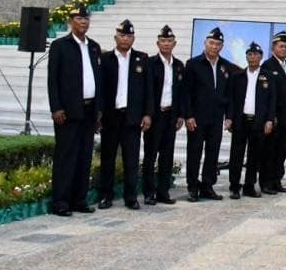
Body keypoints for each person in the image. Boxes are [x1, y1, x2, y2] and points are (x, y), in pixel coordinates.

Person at [47, 3, 102, 216]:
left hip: (89, 110)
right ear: (71, 21)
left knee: (84, 156)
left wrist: (99, 111)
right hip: (68, 111)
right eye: (79, 18)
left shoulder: (94, 47)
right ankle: (60, 201)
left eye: (86, 18)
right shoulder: (61, 45)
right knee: (65, 156)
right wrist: (56, 107)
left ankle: (79, 199)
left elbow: (99, 80)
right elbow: (53, 79)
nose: (83, 22)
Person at [98, 19, 152, 210]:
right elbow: (100, 89)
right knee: (108, 159)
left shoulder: (141, 59)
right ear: (115, 37)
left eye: (129, 36)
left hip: (132, 117)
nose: (125, 39)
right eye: (122, 35)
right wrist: (99, 113)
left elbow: (148, 90)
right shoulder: (105, 59)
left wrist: (147, 114)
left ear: (133, 38)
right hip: (111, 116)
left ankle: (131, 197)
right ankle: (105, 195)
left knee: (131, 160)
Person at [184, 26, 231, 202]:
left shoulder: (225, 66)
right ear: (205, 43)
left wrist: (229, 115)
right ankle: (193, 187)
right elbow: (186, 92)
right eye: (211, 43)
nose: (214, 47)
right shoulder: (193, 64)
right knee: (194, 153)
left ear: (222, 46)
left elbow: (229, 94)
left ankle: (207, 185)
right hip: (197, 118)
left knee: (213, 153)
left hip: (216, 117)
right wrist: (188, 115)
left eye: (218, 44)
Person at [143, 25, 183, 206]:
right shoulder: (149, 63)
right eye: (163, 41)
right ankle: (148, 192)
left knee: (167, 156)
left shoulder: (179, 65)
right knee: (151, 156)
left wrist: (181, 114)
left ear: (174, 44)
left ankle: (163, 191)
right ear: (157, 43)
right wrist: (147, 114)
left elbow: (183, 92)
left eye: (169, 41)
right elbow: (146, 92)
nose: (166, 44)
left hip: (171, 116)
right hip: (155, 115)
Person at [227, 42, 273, 199]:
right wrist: (229, 118)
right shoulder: (237, 76)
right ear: (246, 56)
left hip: (258, 122)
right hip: (241, 121)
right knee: (236, 155)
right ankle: (234, 186)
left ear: (261, 57)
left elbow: (272, 101)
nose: (252, 57)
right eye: (250, 54)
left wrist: (269, 120)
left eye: (256, 54)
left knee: (254, 156)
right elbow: (231, 99)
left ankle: (249, 185)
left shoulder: (268, 76)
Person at [260, 31, 286, 194]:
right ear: (273, 47)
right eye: (281, 46)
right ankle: (266, 182)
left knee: (281, 151)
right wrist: (270, 116)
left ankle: (276, 180)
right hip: (273, 118)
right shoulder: (267, 66)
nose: (284, 49)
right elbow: (266, 95)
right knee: (269, 152)